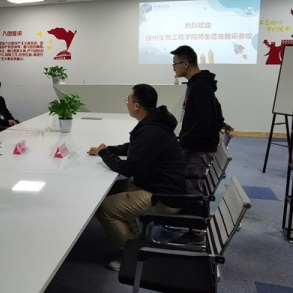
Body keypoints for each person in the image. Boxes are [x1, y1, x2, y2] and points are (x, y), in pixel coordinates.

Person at [89, 84, 186, 271]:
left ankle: (130, 257)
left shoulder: (151, 130)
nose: (126, 103)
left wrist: (104, 154)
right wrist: (107, 149)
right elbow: (133, 147)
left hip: (163, 196)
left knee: (104, 208)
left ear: (136, 106)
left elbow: (128, 168)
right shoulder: (155, 123)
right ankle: (134, 235)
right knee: (114, 189)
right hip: (160, 185)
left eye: (128, 100)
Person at [171, 45, 233, 245]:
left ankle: (196, 233)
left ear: (185, 64)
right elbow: (215, 106)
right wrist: (220, 122)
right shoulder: (200, 83)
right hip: (197, 144)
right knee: (191, 185)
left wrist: (183, 142)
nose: (173, 68)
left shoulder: (199, 85)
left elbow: (204, 120)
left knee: (192, 188)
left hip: (199, 147)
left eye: (175, 64)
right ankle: (192, 224)